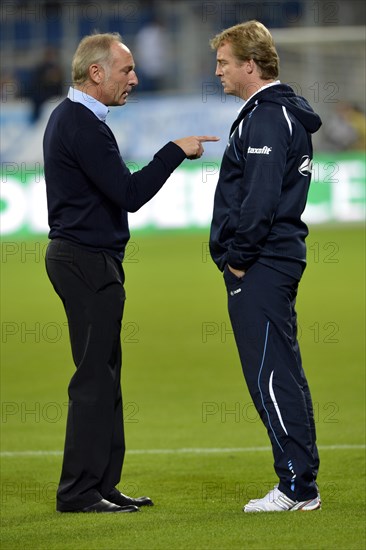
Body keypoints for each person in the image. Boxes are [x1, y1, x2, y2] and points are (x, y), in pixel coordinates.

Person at [43, 32, 218, 514]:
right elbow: (129, 193)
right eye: (126, 70)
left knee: (105, 375)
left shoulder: (77, 119)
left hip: (86, 259)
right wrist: (173, 151)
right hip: (85, 261)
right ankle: (79, 491)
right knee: (94, 379)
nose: (135, 79)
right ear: (96, 73)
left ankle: (100, 484)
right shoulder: (80, 122)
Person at [208, 21, 322, 513]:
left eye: (224, 63)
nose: (218, 72)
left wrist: (237, 262)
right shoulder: (275, 114)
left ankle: (297, 487)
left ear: (249, 66)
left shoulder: (268, 119)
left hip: (262, 265)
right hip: (275, 260)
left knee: (271, 375)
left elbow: (259, 201)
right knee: (284, 373)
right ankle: (300, 481)